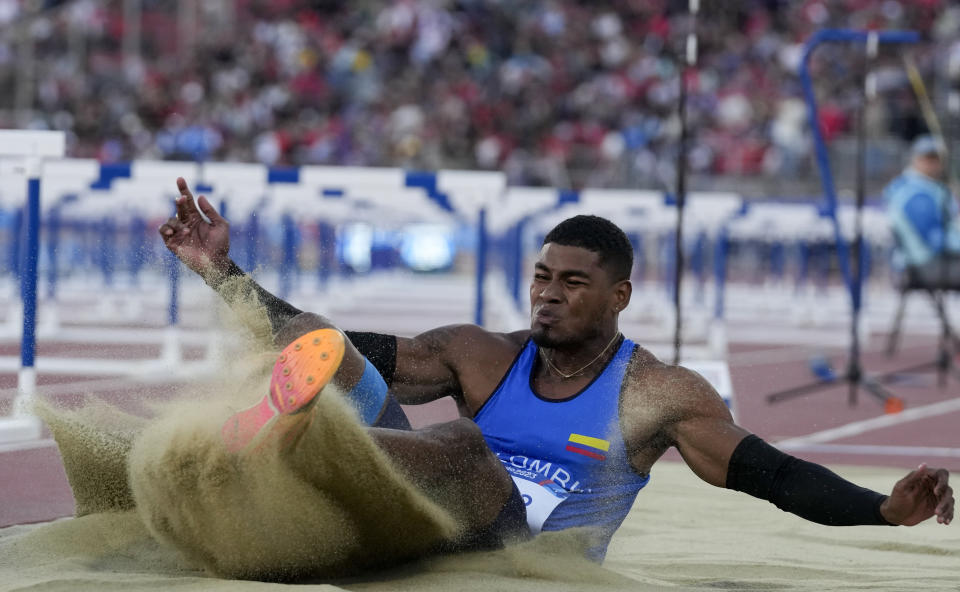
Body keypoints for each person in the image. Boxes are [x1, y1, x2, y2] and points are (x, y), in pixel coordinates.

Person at [159, 177, 954, 561]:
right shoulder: (480, 353)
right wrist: (221, 273)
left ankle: (294, 448)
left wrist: (881, 510)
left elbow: (770, 473)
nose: (549, 296)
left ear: (619, 295)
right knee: (324, 345)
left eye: (573, 284)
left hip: (513, 549)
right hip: (416, 494)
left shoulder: (657, 394)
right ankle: (281, 443)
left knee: (469, 448)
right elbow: (347, 353)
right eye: (543, 277)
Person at [884, 134, 960, 289]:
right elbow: (935, 239)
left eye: (937, 159)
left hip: (932, 262)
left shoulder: (931, 189)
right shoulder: (916, 195)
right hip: (924, 265)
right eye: (928, 159)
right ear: (915, 159)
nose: (933, 164)